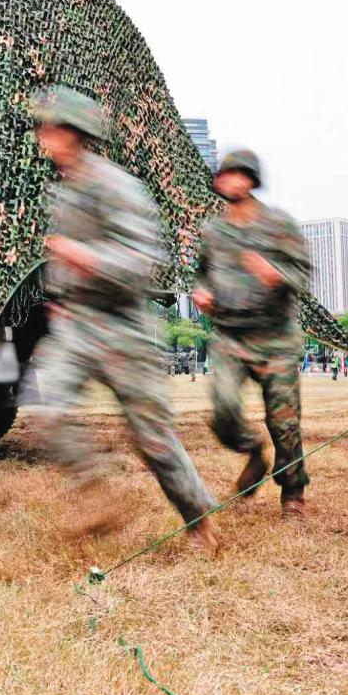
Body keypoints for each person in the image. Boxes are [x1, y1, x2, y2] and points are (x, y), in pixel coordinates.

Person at [27, 85, 219, 552]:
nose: (42, 136)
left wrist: (83, 256)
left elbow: (141, 262)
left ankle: (199, 520)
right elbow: (62, 260)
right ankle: (97, 496)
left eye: (49, 127)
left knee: (152, 438)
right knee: (49, 411)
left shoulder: (116, 186)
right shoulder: (63, 191)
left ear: (72, 132)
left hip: (123, 327)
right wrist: (60, 293)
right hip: (77, 325)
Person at [192, 149, 311, 518]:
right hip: (231, 336)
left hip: (276, 338)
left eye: (240, 174)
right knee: (223, 409)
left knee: (284, 422)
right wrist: (202, 292)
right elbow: (202, 273)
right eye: (226, 174)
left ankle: (292, 492)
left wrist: (277, 275)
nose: (232, 181)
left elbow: (303, 274)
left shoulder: (277, 223)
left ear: (252, 180)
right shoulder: (213, 231)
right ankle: (254, 454)